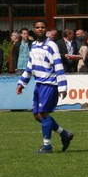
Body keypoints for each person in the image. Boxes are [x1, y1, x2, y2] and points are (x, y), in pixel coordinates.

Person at [15, 20, 74, 154]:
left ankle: (47, 146)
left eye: (42, 27)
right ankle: (64, 134)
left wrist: (62, 86)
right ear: (34, 30)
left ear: (46, 29)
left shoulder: (52, 45)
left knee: (43, 114)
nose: (40, 29)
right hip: (39, 84)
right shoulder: (34, 45)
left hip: (49, 84)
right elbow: (30, 66)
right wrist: (22, 83)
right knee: (37, 115)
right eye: (37, 27)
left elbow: (58, 65)